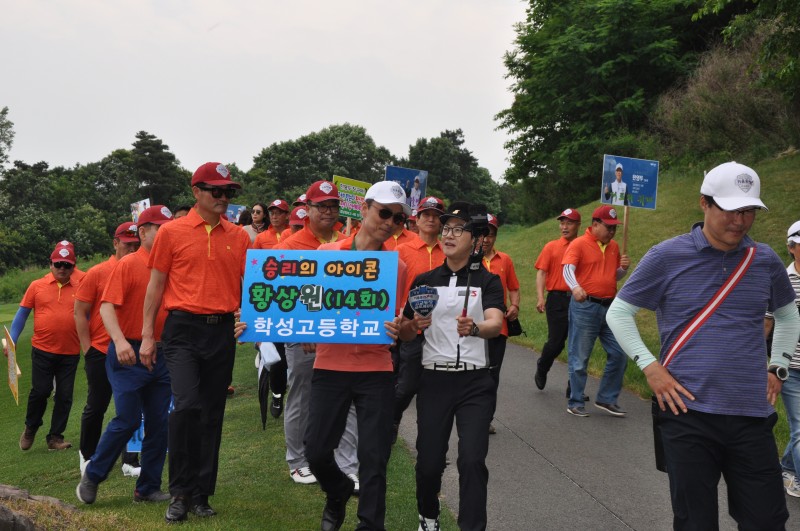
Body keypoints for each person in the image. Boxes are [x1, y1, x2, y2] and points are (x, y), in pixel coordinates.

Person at [606, 162, 800, 530]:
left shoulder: (764, 260)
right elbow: (619, 312)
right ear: (704, 203)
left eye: (749, 211)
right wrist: (650, 367)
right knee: (695, 521)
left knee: (767, 520)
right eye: (730, 209)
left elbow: (788, 316)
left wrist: (779, 365)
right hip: (686, 412)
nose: (740, 221)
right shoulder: (666, 256)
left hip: (751, 413)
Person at [141, 162, 251, 523]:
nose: (224, 197)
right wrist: (147, 336)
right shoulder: (171, 233)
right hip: (182, 330)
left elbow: (254, 287)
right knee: (186, 406)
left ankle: (202, 494)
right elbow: (156, 285)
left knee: (211, 413)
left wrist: (250, 319)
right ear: (196, 192)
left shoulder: (239, 236)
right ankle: (180, 492)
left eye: (228, 192)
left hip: (221, 331)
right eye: (216, 191)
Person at [305, 180, 409, 531]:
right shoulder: (326, 254)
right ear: (364, 209)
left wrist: (402, 327)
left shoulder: (397, 267)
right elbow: (307, 309)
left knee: (374, 456)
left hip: (376, 369)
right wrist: (304, 331)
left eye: (398, 218)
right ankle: (337, 491)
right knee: (317, 451)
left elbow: (401, 323)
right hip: (329, 366)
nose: (389, 222)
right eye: (384, 213)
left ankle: (370, 524)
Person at [399, 201, 505, 531]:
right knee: (429, 462)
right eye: (446, 228)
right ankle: (428, 517)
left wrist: (474, 328)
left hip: (476, 383)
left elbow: (495, 323)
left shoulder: (488, 281)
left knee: (472, 460)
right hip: (434, 380)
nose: (448, 234)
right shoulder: (425, 280)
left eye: (459, 230)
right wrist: (412, 325)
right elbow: (404, 332)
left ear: (475, 239)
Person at [76, 205, 174, 506]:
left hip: (162, 354)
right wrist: (119, 342)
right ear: (143, 232)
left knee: (159, 423)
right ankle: (93, 475)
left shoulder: (173, 264)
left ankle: (147, 488)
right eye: (161, 229)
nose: (167, 234)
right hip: (128, 354)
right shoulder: (129, 264)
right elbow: (106, 307)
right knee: (128, 419)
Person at [277, 181, 358, 488]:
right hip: (304, 336)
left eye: (333, 205)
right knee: (302, 394)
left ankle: (345, 463)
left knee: (347, 397)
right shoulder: (290, 246)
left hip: (341, 333)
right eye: (321, 206)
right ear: (307, 209)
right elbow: (282, 296)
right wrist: (302, 328)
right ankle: (297, 461)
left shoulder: (350, 242)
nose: (328, 211)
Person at [74, 221, 141, 477]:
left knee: (133, 406)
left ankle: (130, 460)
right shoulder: (97, 273)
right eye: (127, 244)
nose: (132, 249)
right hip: (101, 350)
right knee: (97, 405)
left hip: (133, 349)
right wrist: (87, 348)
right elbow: (80, 312)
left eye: (136, 245)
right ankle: (88, 455)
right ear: (115, 243)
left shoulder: (142, 269)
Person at [7, 243, 83, 451]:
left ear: (73, 266)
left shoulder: (82, 286)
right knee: (41, 391)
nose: (62, 268)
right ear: (50, 264)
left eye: (67, 265)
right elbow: (22, 314)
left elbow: (89, 316)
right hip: (43, 349)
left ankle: (55, 438)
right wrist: (13, 339)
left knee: (64, 396)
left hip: (70, 351)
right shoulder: (36, 286)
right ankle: (31, 427)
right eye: (58, 264)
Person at [562, 204, 630, 417]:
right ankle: (575, 401)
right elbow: (567, 269)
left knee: (619, 353)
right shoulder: (579, 244)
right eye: (608, 227)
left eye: (614, 228)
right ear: (595, 225)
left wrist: (623, 269)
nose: (612, 231)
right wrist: (575, 287)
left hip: (609, 307)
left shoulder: (614, 247)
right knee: (580, 356)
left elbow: (612, 276)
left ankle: (606, 398)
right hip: (585, 306)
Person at [393, 196, 446, 442]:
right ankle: (391, 420)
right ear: (418, 218)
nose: (431, 219)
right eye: (427, 215)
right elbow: (393, 289)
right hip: (411, 329)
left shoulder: (450, 252)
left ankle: (428, 440)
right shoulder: (403, 250)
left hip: (442, 332)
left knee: (434, 390)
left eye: (436, 216)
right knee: (406, 385)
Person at [533, 208, 581, 390]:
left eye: (569, 223)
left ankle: (574, 387)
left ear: (578, 225)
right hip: (557, 300)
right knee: (556, 343)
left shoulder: (584, 246)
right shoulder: (551, 247)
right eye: (562, 223)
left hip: (580, 300)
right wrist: (540, 297)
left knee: (578, 344)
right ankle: (543, 366)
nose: (564, 227)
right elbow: (541, 273)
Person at [482, 213, 521, 434]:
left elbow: (513, 287)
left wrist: (514, 305)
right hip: (473, 328)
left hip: (499, 328)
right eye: (483, 234)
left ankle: (486, 418)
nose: (486, 239)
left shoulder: (504, 260)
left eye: (491, 234)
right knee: (474, 372)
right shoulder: (467, 259)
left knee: (492, 375)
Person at [775, 220, 800, 497]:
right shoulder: (782, 280)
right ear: (791, 248)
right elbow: (767, 322)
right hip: (791, 367)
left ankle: (787, 468)